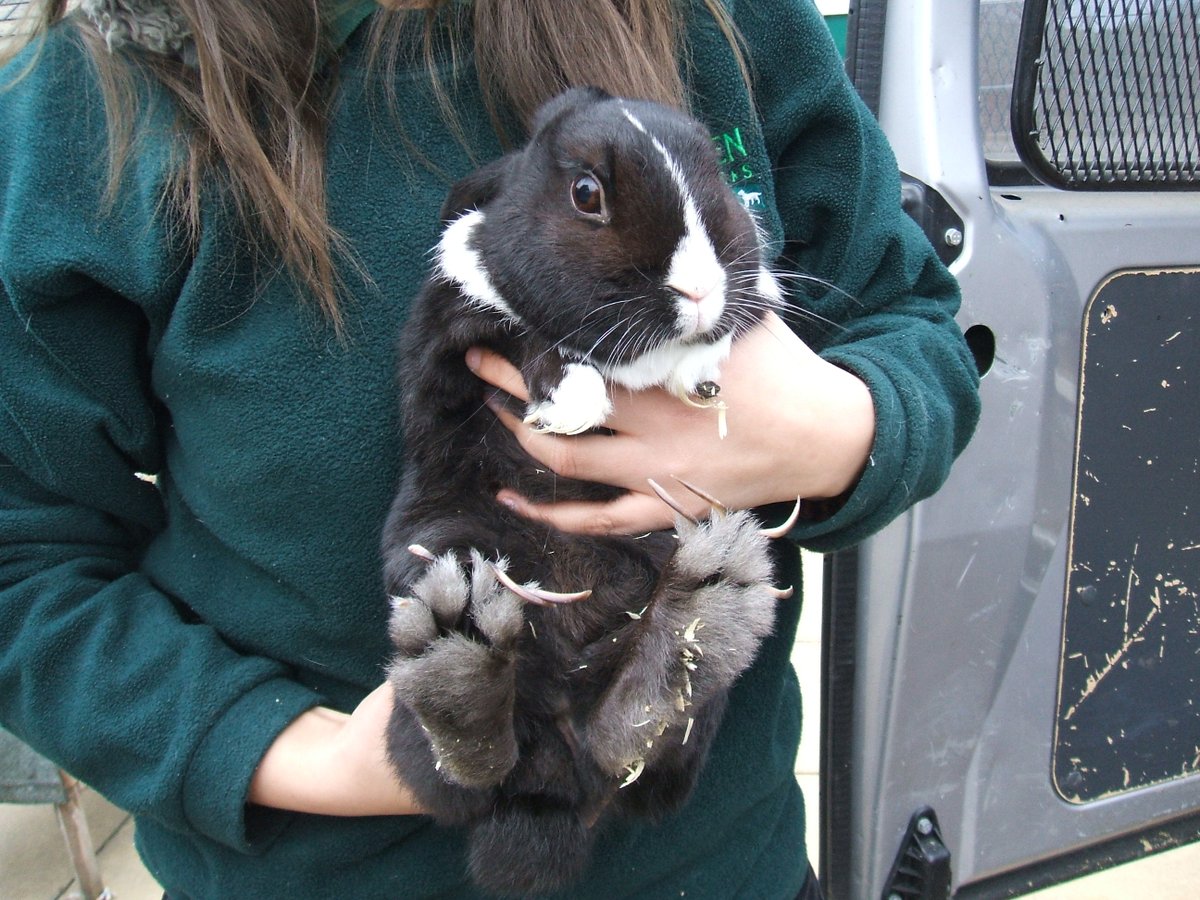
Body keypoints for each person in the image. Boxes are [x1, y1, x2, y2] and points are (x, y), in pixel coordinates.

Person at [0, 0, 980, 897]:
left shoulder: (725, 22)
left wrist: (830, 432)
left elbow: (907, 322)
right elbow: (24, 556)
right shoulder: (85, 111)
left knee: (688, 626)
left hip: (717, 868)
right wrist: (305, 756)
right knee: (454, 575)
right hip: (329, 873)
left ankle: (656, 697)